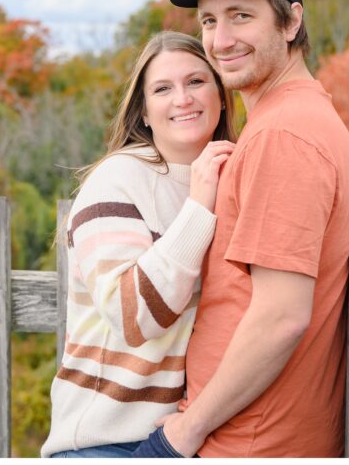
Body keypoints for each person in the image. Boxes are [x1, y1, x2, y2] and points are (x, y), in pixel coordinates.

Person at [132, 0, 349, 458]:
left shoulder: (283, 137)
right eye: (210, 21)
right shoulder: (293, 118)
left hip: (248, 443)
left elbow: (281, 316)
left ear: (290, 23)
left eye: (242, 16)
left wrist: (188, 430)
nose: (221, 39)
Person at [41, 31, 237, 458]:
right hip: (106, 442)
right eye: (163, 89)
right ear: (144, 113)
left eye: (197, 82)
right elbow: (134, 317)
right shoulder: (118, 180)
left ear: (221, 95)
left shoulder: (235, 175)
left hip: (193, 433)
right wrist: (200, 205)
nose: (182, 98)